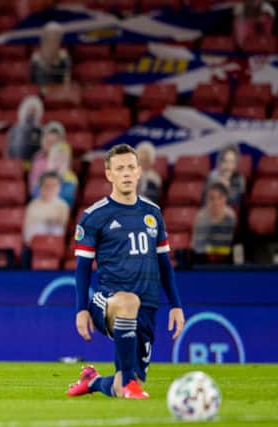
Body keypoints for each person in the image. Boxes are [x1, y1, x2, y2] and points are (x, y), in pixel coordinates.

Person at [67, 144, 184, 399]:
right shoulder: (94, 216)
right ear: (109, 174)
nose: (127, 173)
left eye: (131, 167)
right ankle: (130, 384)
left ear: (140, 171)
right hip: (108, 301)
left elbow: (164, 263)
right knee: (128, 301)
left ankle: (94, 381)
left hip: (148, 305)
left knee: (124, 384)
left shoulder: (152, 213)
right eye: (120, 168)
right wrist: (81, 310)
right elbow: (83, 268)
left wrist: (176, 304)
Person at [192, 182, 237, 264]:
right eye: (211, 198)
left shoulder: (231, 217)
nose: (215, 202)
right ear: (207, 200)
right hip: (204, 263)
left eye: (220, 198)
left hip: (226, 263)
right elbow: (196, 248)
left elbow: (233, 247)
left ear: (225, 199)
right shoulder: (200, 217)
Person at [23, 171, 69, 246]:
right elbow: (27, 232)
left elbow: (62, 227)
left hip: (54, 244)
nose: (50, 189)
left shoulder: (63, 206)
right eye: (47, 185)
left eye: (54, 186)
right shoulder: (33, 205)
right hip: (35, 244)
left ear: (59, 188)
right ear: (41, 187)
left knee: (57, 229)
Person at [30, 21, 71, 86]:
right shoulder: (36, 57)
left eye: (55, 37)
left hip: (58, 91)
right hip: (40, 90)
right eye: (49, 36)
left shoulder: (64, 56)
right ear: (44, 38)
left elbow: (66, 81)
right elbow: (33, 81)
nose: (52, 38)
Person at [28, 121, 65, 192]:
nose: (50, 146)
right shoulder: (37, 156)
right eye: (48, 142)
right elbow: (33, 182)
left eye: (53, 143)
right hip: (36, 195)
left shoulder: (63, 158)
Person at [6, 95, 44, 161]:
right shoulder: (14, 129)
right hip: (17, 162)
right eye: (28, 110)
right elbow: (9, 149)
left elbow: (40, 150)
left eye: (33, 111)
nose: (30, 113)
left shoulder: (41, 130)